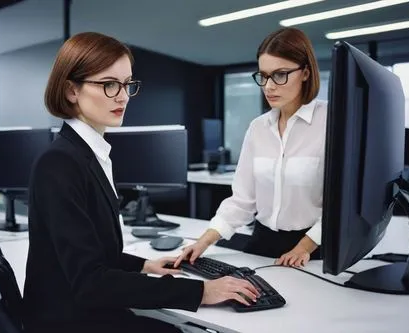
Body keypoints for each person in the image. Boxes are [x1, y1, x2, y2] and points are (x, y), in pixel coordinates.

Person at [23, 32, 259, 333]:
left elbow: (93, 252)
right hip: (69, 321)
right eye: (109, 84)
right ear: (71, 90)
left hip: (82, 311)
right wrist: (201, 292)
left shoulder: (87, 154)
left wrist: (143, 265)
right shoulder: (59, 163)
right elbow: (89, 282)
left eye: (126, 84)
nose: (122, 96)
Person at [175, 27, 327, 269]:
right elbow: (242, 201)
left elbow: (340, 207)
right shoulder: (258, 127)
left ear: (306, 72)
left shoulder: (331, 123)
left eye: (280, 75)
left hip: (313, 248)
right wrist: (203, 242)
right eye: (263, 76)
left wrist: (303, 248)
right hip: (263, 241)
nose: (268, 86)